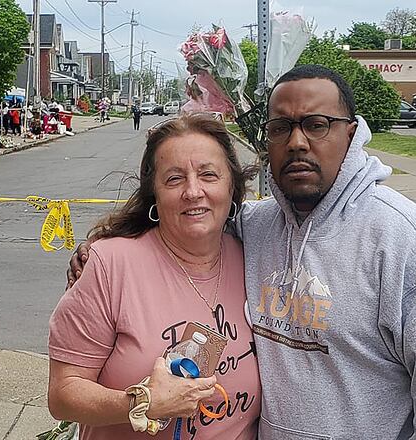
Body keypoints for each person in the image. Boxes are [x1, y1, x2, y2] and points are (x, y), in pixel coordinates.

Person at [68, 65, 416, 438]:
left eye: (316, 124)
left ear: (351, 134)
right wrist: (105, 249)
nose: (297, 142)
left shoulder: (415, 248)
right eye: (281, 127)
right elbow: (190, 217)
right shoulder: (254, 227)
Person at [48, 114, 260, 440]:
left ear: (231, 186)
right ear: (155, 196)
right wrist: (140, 402)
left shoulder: (255, 257)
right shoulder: (110, 264)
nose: (193, 191)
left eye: (208, 175)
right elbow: (63, 395)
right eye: (174, 179)